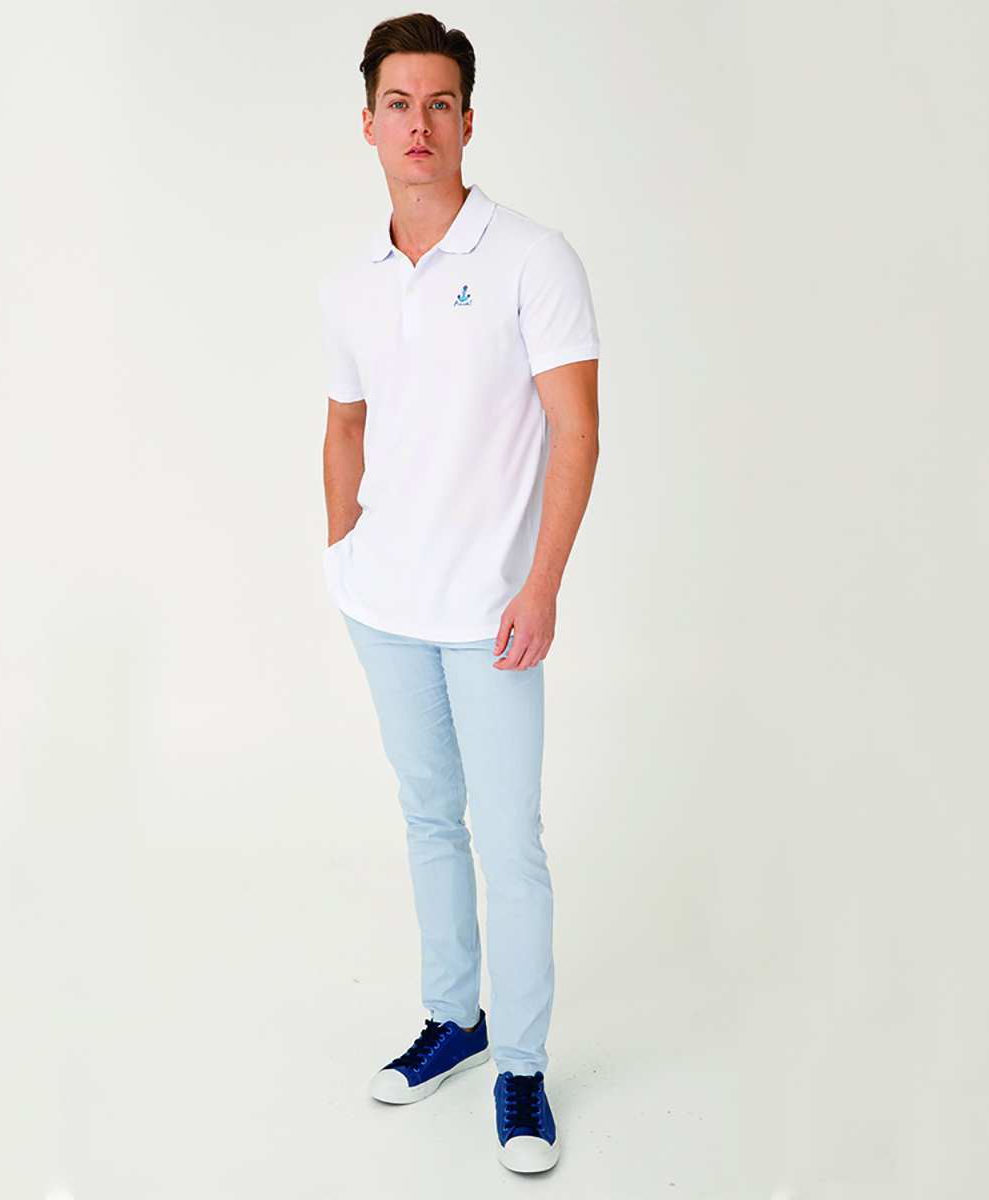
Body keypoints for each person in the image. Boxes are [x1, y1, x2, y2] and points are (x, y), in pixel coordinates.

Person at [319, 12, 599, 1175]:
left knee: (510, 840)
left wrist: (542, 586)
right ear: (368, 124)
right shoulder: (348, 281)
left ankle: (522, 1066)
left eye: (440, 103)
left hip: (493, 616)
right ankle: (456, 1019)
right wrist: (344, 555)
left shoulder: (532, 258)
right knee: (429, 818)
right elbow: (344, 426)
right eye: (399, 104)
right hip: (384, 609)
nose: (419, 124)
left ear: (468, 121)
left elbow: (576, 430)